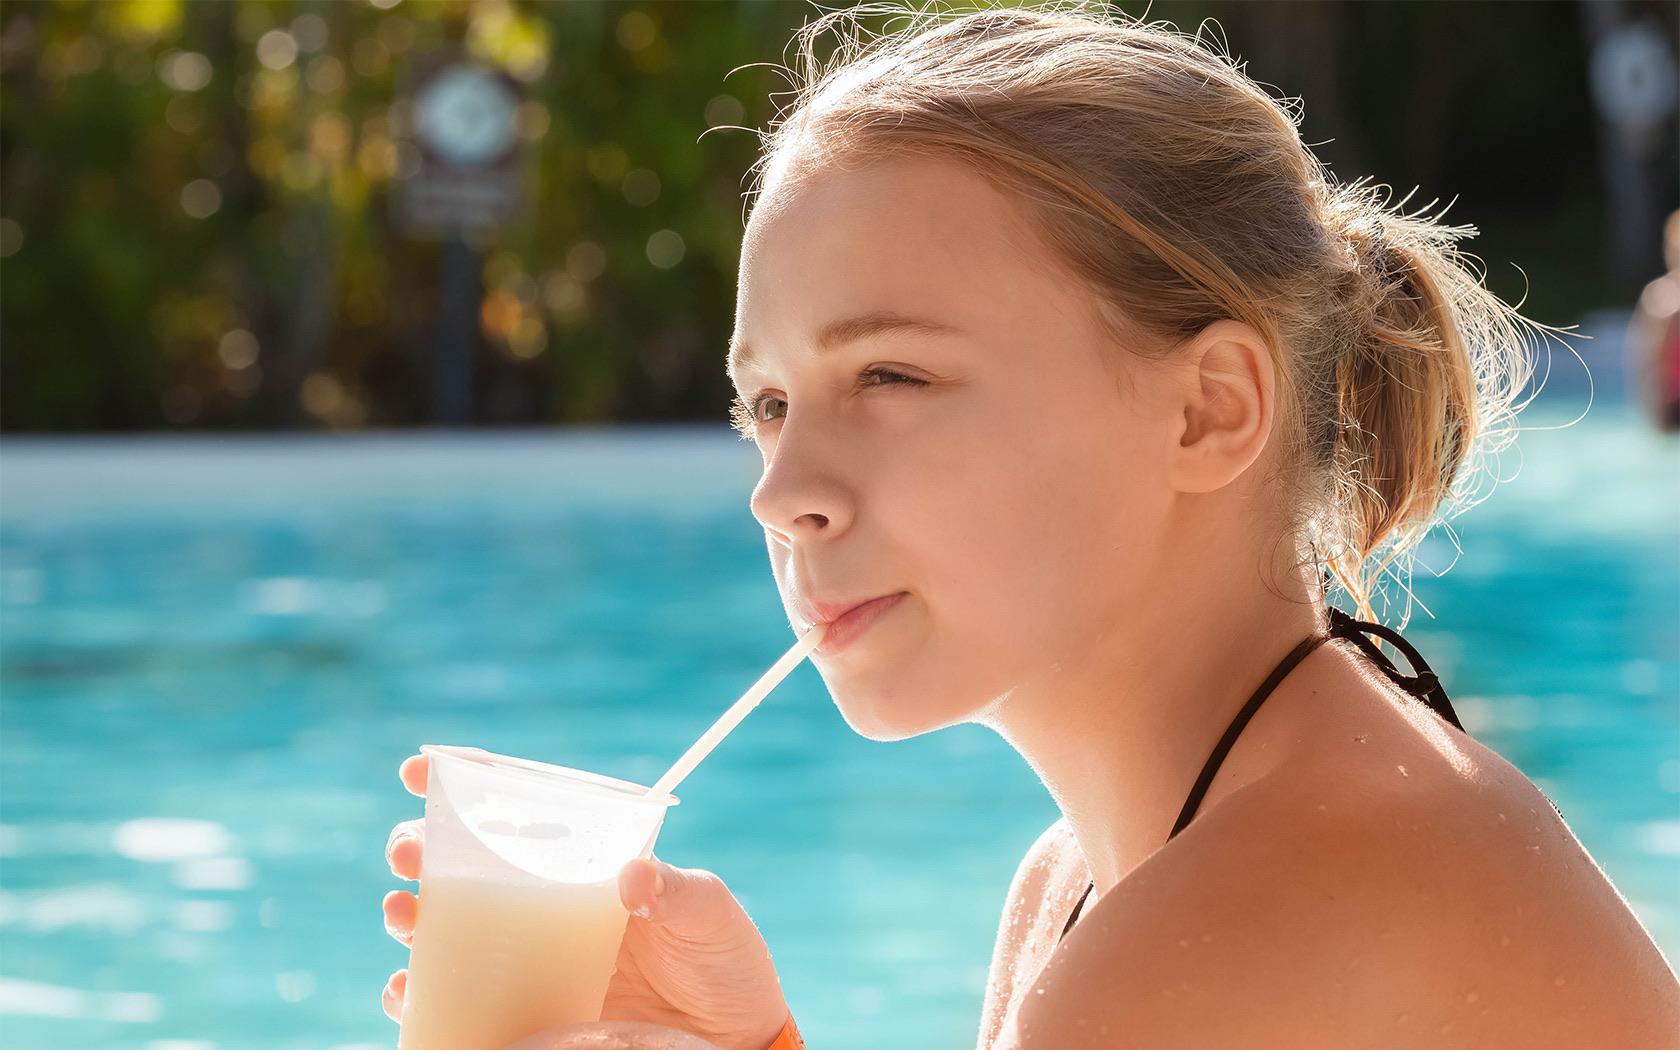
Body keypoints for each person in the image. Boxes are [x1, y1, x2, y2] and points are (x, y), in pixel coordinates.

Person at [380, 6, 1680, 1048]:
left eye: (890, 376)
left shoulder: (1242, 916)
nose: (783, 490)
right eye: (767, 402)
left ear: (1206, 411)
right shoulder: (1081, 885)